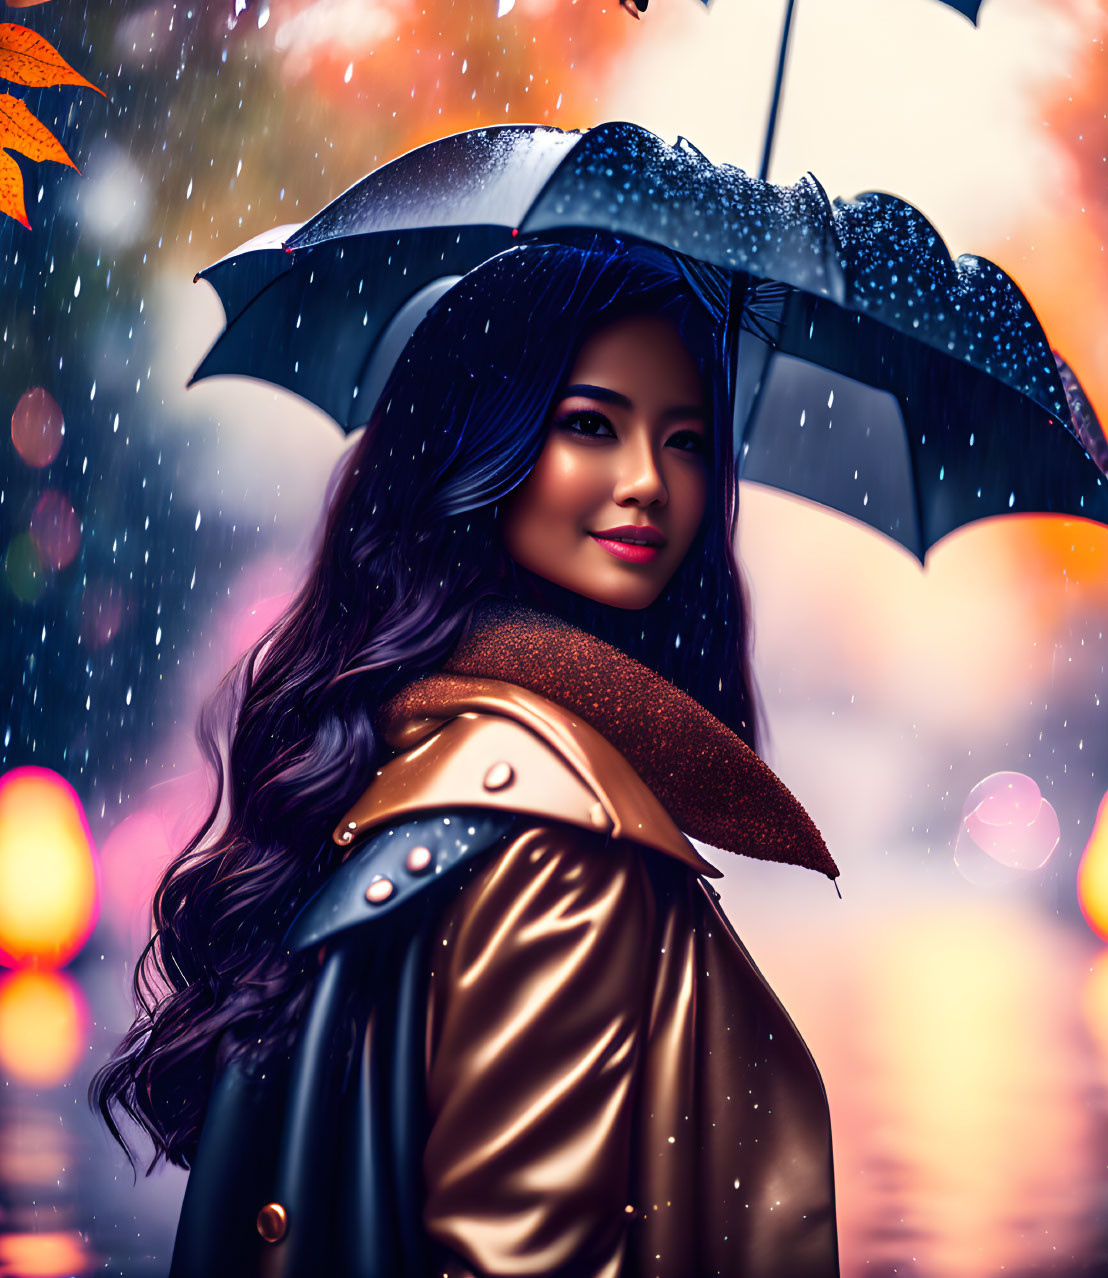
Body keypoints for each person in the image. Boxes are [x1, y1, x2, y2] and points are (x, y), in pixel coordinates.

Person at [93, 238, 841, 1277]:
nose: (647, 483)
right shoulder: (564, 845)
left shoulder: (407, 750)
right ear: (482, 444)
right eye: (590, 424)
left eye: (686, 440)